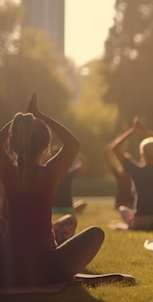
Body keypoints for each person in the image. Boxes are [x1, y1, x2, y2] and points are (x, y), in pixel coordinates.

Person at [0, 94, 104, 288]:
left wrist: (18, 121)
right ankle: (61, 275)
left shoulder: (8, 172)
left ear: (14, 144)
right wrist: (40, 115)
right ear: (46, 147)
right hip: (47, 268)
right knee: (96, 233)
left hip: (8, 269)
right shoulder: (49, 173)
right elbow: (73, 144)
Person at [51, 147, 87, 214]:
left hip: (55, 208)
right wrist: (73, 152)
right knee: (82, 204)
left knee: (83, 203)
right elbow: (83, 161)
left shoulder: (49, 173)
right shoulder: (69, 174)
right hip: (67, 208)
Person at [103, 143, 135, 209]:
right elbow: (107, 161)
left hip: (130, 202)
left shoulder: (134, 173)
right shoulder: (118, 173)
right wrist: (107, 150)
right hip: (121, 203)